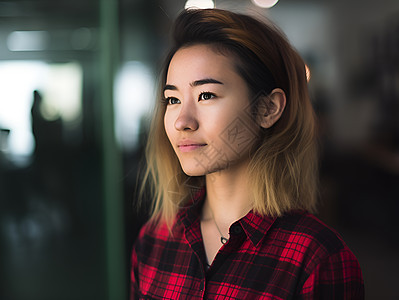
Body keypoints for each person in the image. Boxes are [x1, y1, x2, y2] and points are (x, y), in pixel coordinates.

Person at [131, 8, 364, 299]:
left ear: (268, 109)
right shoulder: (154, 240)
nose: (181, 121)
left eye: (206, 95)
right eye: (173, 99)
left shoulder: (316, 258)